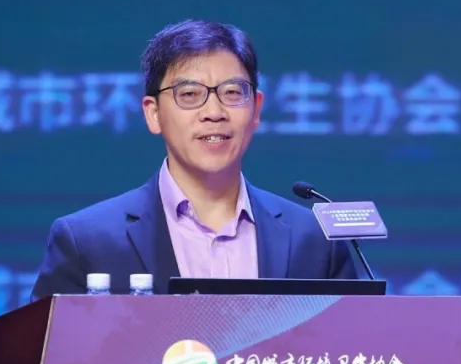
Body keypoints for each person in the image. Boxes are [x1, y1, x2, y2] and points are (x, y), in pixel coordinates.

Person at [29, 19, 358, 300]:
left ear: (256, 109)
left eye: (232, 93)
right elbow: (46, 353)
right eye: (189, 95)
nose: (214, 112)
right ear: (153, 114)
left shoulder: (315, 242)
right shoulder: (87, 241)